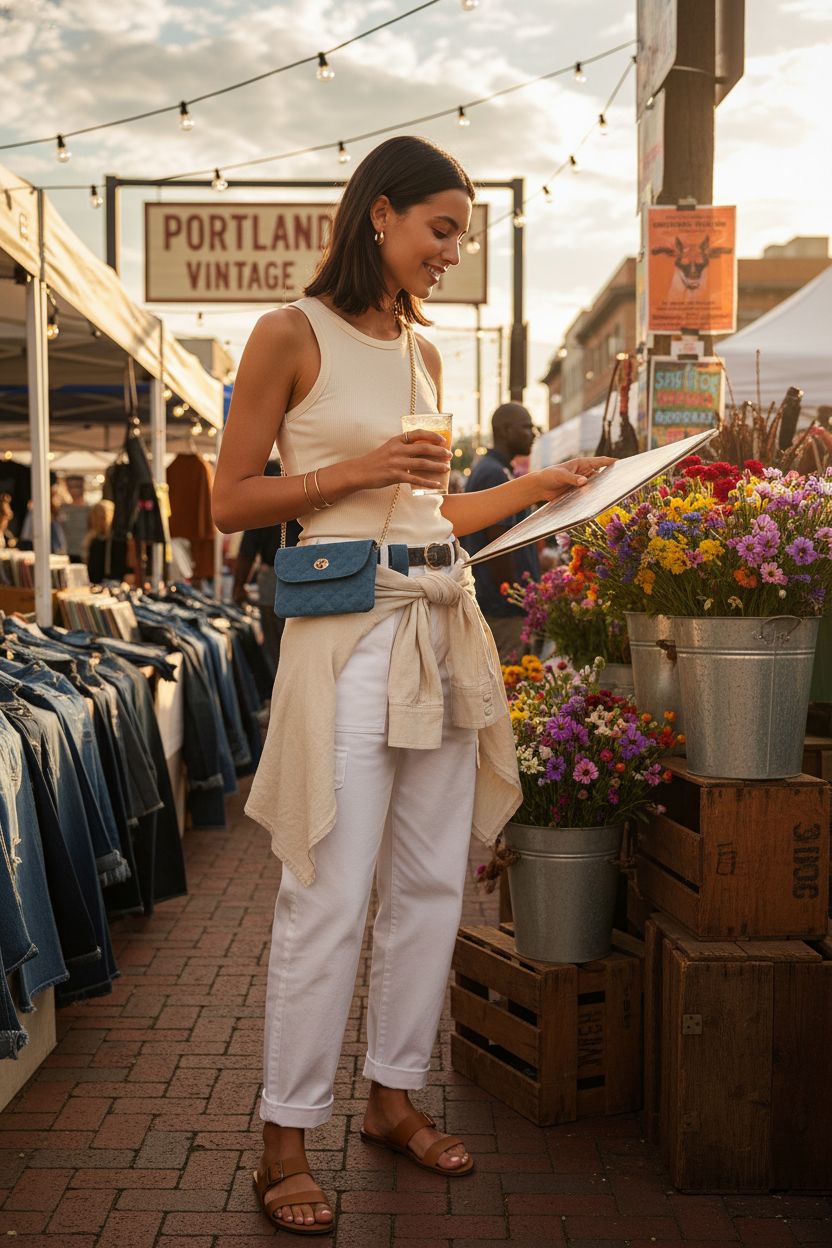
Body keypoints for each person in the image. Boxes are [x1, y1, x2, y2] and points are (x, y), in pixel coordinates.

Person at [211, 134, 611, 1237]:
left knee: (435, 883)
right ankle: (283, 1138)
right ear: (378, 215)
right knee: (328, 895)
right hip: (349, 638)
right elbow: (233, 501)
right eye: (440, 231)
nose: (450, 254)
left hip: (442, 628)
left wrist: (541, 485)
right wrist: (357, 469)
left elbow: (436, 515)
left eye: (461, 238)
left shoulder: (425, 357)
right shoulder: (289, 332)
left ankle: (391, 1100)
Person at [462, 403, 540, 661]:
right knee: (509, 680)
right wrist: (515, 597)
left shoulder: (496, 469)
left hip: (501, 605)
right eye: (526, 427)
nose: (533, 433)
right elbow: (498, 545)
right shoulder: (493, 473)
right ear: (506, 430)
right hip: (502, 610)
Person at [232, 461, 300, 671]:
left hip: (273, 577)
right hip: (305, 574)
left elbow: (247, 551)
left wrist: (238, 587)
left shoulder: (262, 505)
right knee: (301, 642)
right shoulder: (303, 494)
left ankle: (280, 694)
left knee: (276, 644)